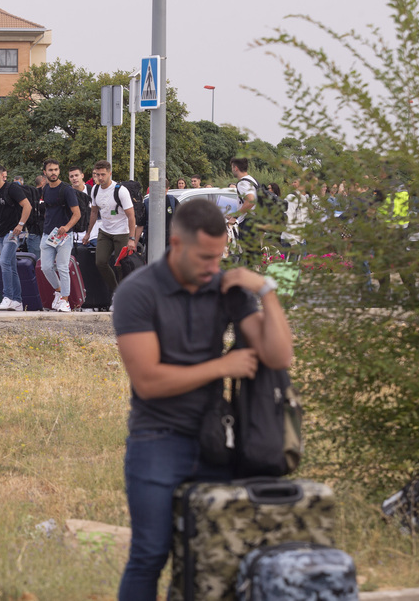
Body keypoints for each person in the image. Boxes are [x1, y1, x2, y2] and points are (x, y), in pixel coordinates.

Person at [112, 198, 293, 599]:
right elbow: (148, 382)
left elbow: (279, 356)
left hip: (217, 438)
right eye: (206, 257)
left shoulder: (223, 286)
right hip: (157, 437)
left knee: (223, 550)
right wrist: (221, 367)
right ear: (176, 244)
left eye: (220, 257)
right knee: (150, 553)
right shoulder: (138, 292)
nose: (214, 266)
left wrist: (265, 289)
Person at [83, 159, 136, 301]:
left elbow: (131, 216)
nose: (100, 178)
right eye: (97, 175)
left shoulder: (120, 191)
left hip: (122, 232)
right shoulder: (95, 189)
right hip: (105, 231)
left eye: (103, 174)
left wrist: (132, 238)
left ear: (109, 174)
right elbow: (94, 212)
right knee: (100, 262)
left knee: (120, 266)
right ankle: (116, 291)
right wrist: (88, 233)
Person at [38, 159, 80, 312]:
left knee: (62, 267)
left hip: (64, 235)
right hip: (48, 234)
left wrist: (67, 227)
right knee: (45, 267)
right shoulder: (46, 189)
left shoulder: (67, 190)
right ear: (45, 172)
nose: (53, 172)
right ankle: (58, 291)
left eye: (56, 169)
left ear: (59, 171)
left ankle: (65, 300)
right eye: (50, 170)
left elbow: (77, 214)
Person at [0, 163, 31, 311]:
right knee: (11, 266)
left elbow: (28, 206)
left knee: (5, 262)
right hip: (1, 232)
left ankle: (7, 297)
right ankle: (17, 301)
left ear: (3, 175)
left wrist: (20, 225)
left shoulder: (12, 188)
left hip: (13, 232)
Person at [228, 157, 260, 263]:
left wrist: (235, 216)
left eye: (232, 167)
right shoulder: (252, 180)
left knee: (248, 257)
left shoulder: (242, 183)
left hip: (248, 223)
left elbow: (250, 201)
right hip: (255, 220)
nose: (232, 170)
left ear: (236, 168)